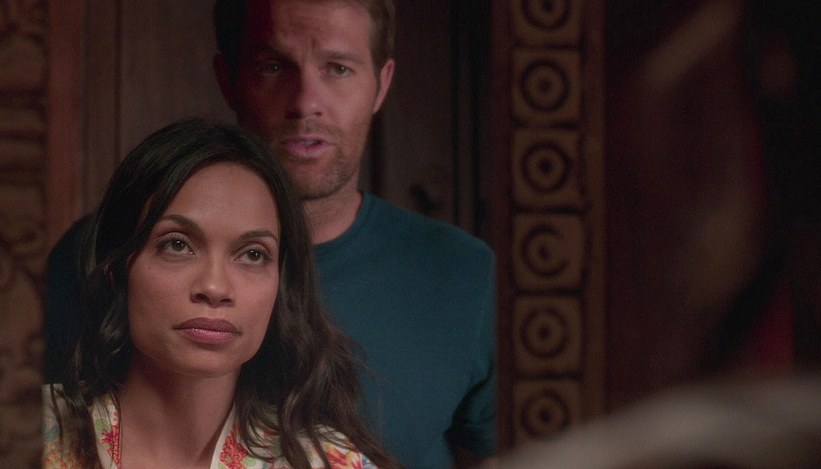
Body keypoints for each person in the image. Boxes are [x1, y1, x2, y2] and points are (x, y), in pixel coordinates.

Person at [45, 1, 497, 467]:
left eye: (338, 68)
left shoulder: (465, 275)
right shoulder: (83, 259)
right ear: (229, 79)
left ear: (382, 84)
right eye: (274, 67)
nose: (305, 102)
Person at [42, 119, 396, 468]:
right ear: (116, 267)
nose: (215, 288)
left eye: (253, 254)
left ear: (281, 283)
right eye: (177, 245)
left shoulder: (331, 462)